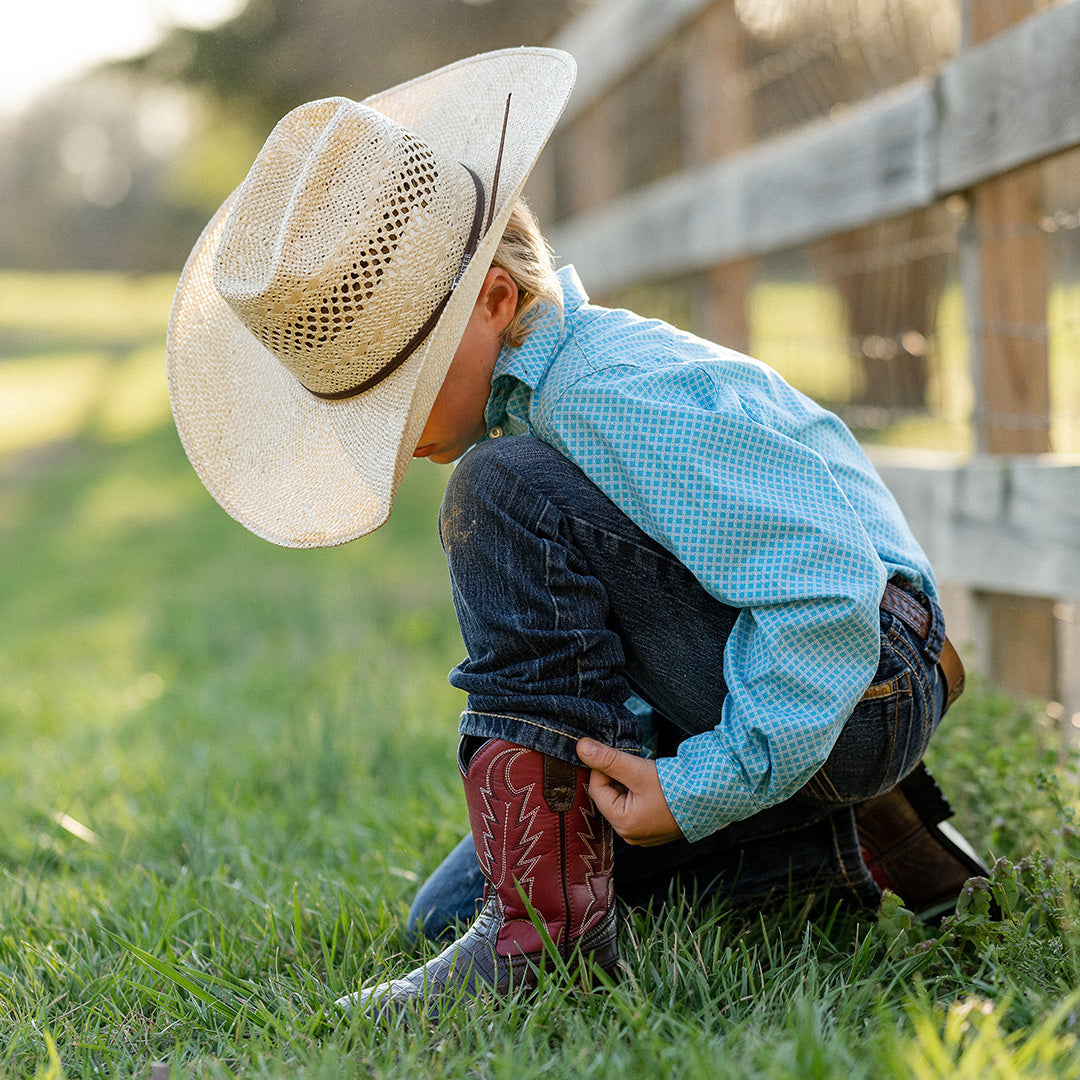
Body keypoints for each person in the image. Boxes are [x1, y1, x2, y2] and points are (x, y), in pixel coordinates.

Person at [166, 48, 986, 1022]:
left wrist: (707, 783)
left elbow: (822, 589)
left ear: (496, 300)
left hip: (864, 672)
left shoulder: (607, 395)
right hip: (800, 675)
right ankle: (838, 844)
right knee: (445, 915)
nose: (400, 435)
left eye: (405, 387)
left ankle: (553, 944)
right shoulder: (548, 399)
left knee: (499, 488)